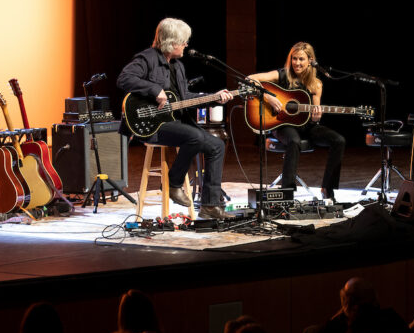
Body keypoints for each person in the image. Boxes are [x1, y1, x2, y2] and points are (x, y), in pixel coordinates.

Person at [117, 17, 234, 220]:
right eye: (183, 41)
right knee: (195, 137)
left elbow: (184, 98)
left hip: (174, 123)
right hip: (151, 125)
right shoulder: (147, 59)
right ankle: (174, 183)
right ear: (171, 43)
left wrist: (213, 98)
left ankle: (210, 206)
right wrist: (154, 89)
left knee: (217, 145)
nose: (186, 45)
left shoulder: (178, 66)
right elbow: (124, 79)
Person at [247, 42, 346, 200]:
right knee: (294, 140)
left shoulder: (316, 84)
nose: (297, 63)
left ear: (310, 61)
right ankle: (287, 193)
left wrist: (316, 116)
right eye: (294, 58)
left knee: (339, 140)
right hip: (282, 124)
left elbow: (314, 114)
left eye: (301, 59)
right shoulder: (282, 75)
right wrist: (267, 96)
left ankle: (328, 189)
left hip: (306, 125)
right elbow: (250, 79)